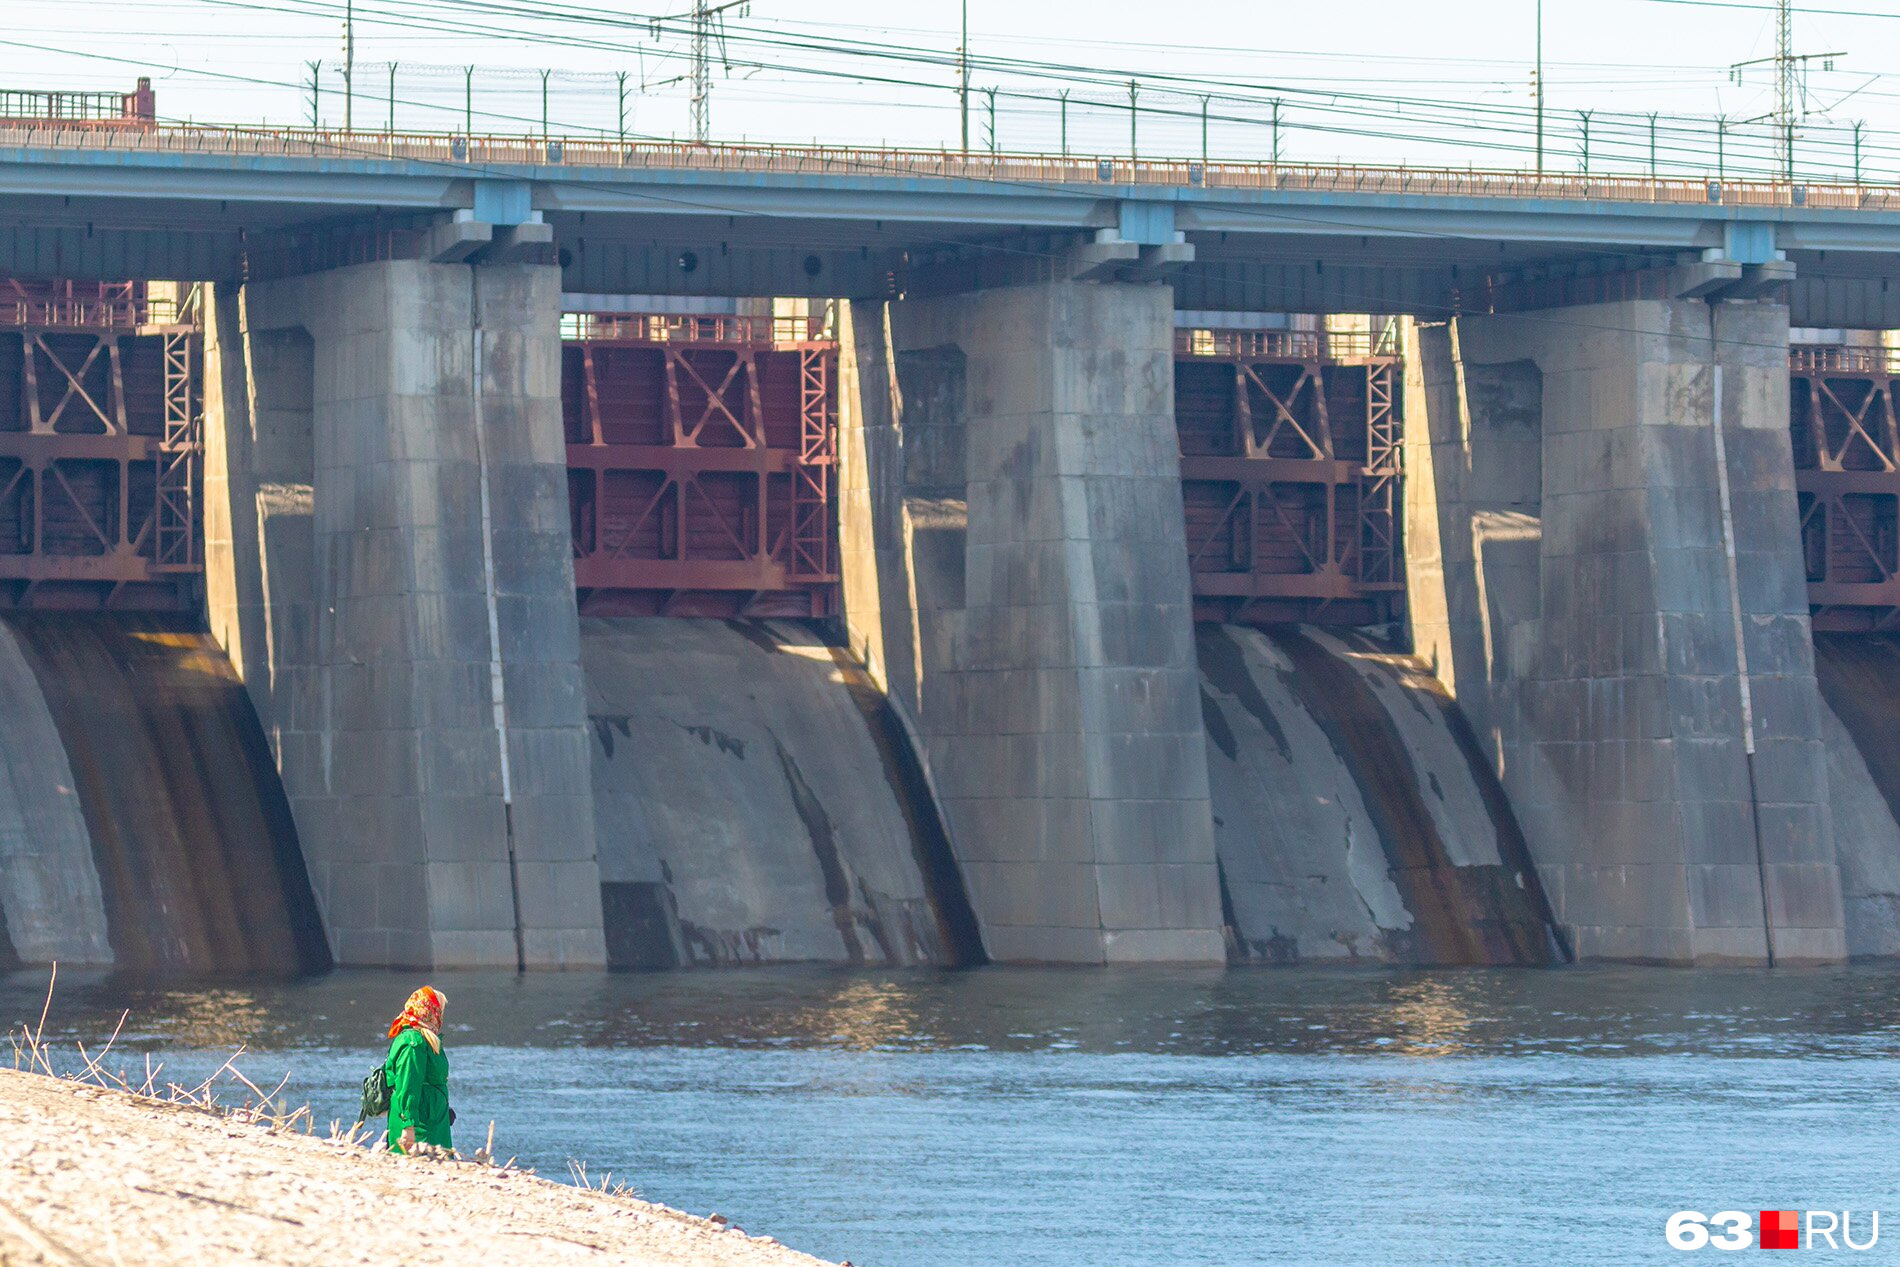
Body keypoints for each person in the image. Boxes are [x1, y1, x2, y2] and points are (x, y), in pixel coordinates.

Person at [384, 985, 453, 1155]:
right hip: (420, 1125)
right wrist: (408, 1125)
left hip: (432, 1119)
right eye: (439, 1010)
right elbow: (407, 1084)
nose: (441, 1016)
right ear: (430, 1011)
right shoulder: (413, 1042)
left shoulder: (426, 1039)